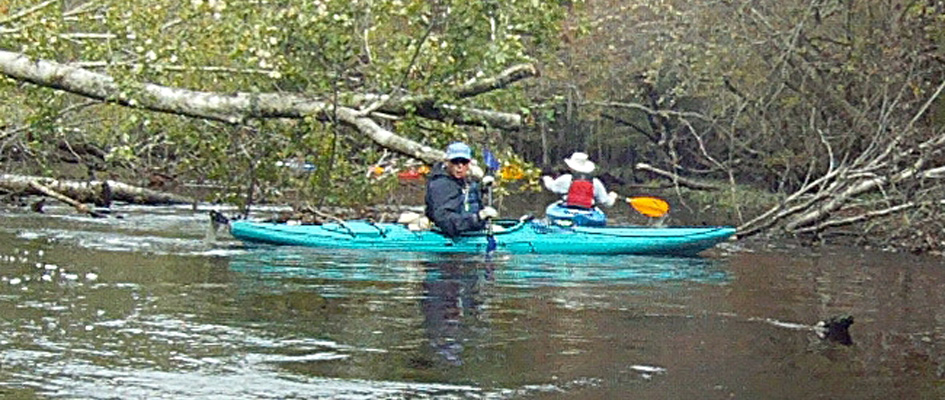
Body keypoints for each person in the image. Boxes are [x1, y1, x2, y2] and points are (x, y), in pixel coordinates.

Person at [425, 142, 498, 238]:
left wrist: (482, 187)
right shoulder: (440, 185)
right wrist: (478, 217)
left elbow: (465, 199)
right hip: (450, 235)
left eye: (464, 162)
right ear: (447, 162)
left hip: (470, 229)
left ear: (469, 163)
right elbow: (446, 221)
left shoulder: (462, 179)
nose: (460, 166)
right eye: (455, 161)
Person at [542, 152, 617, 209]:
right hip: (588, 211)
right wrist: (612, 196)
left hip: (568, 209)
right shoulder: (595, 182)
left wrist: (546, 178)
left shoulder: (566, 179)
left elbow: (551, 187)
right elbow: (607, 203)